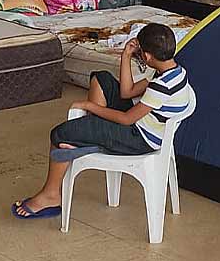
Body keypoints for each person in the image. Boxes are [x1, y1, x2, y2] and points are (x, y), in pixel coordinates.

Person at [12, 24, 193, 218]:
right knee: (102, 79)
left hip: (138, 138)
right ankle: (90, 138)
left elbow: (126, 119)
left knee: (60, 134)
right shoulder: (174, 72)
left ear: (147, 57)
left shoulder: (161, 87)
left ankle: (51, 196)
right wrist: (126, 55)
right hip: (141, 123)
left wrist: (90, 107)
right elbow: (127, 92)